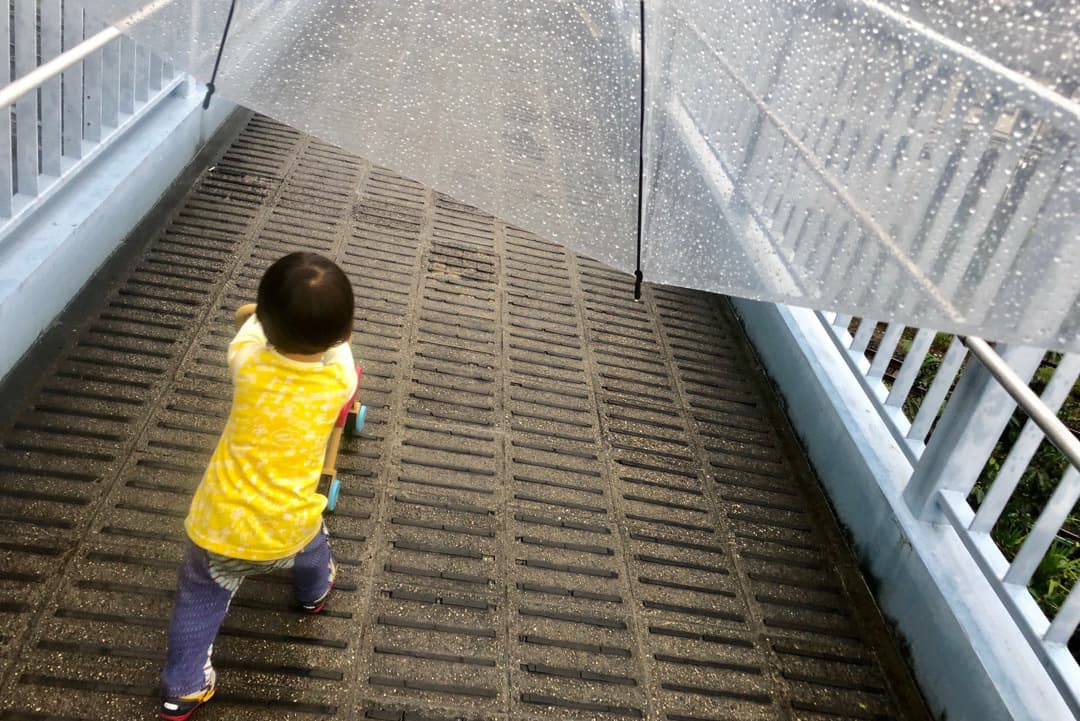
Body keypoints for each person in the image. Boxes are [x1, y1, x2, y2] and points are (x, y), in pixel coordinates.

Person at [159, 252, 359, 721]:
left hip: (221, 522)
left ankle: (183, 686)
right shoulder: (338, 381)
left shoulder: (246, 361)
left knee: (200, 595)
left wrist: (255, 316)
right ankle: (314, 592)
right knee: (311, 542)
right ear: (342, 334)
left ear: (266, 322)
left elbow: (247, 328)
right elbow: (338, 350)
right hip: (287, 521)